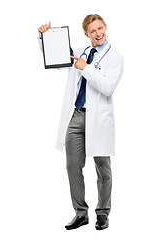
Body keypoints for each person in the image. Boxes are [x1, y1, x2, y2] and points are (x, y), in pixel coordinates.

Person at [38, 14, 124, 230]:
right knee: (72, 166)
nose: (98, 34)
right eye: (93, 31)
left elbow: (107, 87)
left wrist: (85, 68)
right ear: (86, 34)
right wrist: (43, 38)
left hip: (99, 119)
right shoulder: (79, 53)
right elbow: (56, 59)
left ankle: (103, 213)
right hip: (76, 117)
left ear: (106, 27)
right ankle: (80, 213)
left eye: (101, 28)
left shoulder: (115, 57)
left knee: (102, 169)